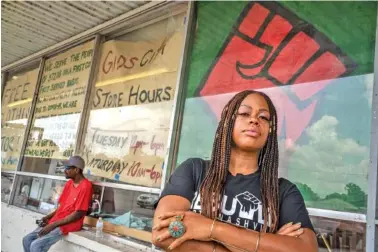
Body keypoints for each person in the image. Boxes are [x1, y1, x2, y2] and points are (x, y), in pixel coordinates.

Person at [152, 90, 318, 251]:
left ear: (270, 130)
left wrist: (212, 229)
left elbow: (305, 249)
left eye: (263, 117)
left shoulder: (284, 192)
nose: (254, 120)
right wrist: (265, 244)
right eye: (245, 114)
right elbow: (163, 234)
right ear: (228, 122)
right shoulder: (194, 170)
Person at [23, 156, 93, 252]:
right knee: (27, 240)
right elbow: (62, 207)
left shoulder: (86, 186)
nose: (65, 171)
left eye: (68, 168)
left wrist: (53, 225)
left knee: (36, 246)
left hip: (68, 224)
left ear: (76, 170)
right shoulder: (69, 184)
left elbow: (78, 214)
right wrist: (48, 217)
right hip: (57, 220)